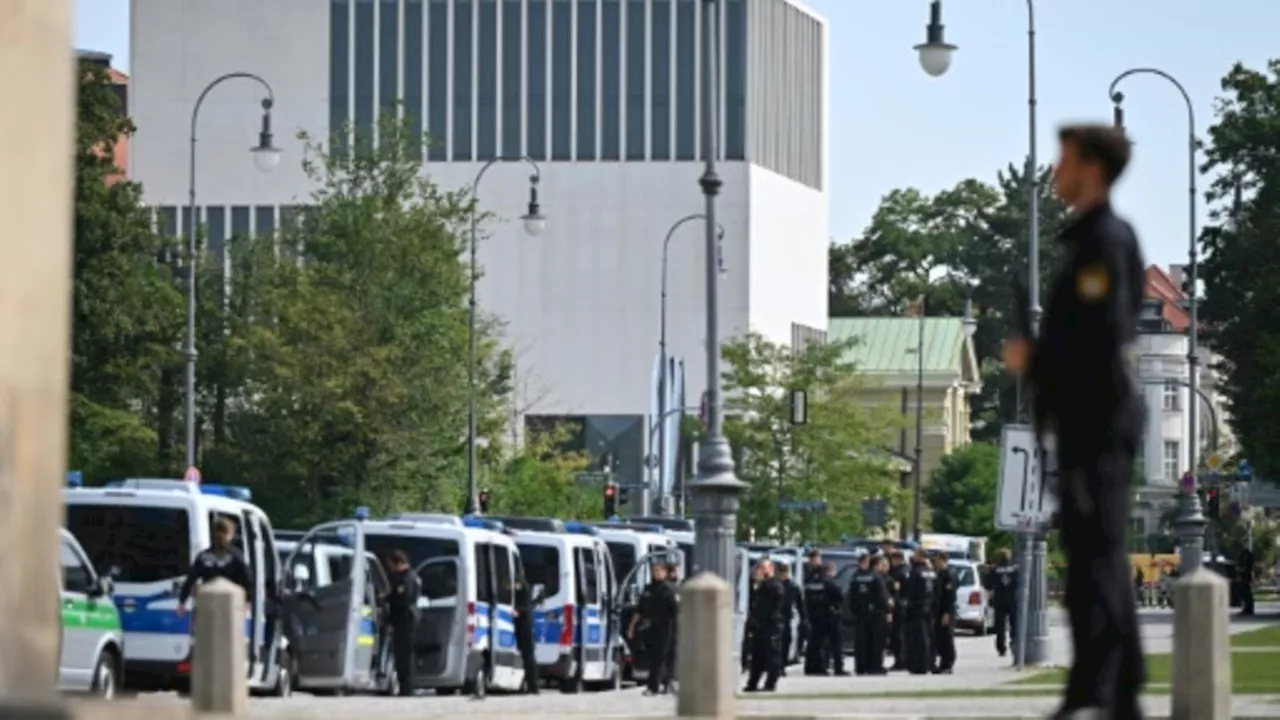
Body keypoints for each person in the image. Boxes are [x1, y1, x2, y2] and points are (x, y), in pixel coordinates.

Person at [1003, 123, 1146, 719]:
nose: (1055, 173)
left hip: (1101, 420)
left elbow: (1102, 335)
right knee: (1093, 559)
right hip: (1088, 419)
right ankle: (1107, 688)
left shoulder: (1104, 242)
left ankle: (1105, 689)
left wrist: (1034, 359)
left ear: (1090, 168)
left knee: (1098, 558)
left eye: (1064, 161)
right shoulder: (1090, 241)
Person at [176, 516, 252, 617]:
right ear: (230, 534)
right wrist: (248, 600)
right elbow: (248, 579)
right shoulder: (236, 556)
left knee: (206, 632)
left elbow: (190, 580)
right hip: (230, 604)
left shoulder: (203, 556)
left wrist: (182, 602)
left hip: (207, 604)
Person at [629, 562, 678, 695]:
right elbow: (640, 610)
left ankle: (654, 687)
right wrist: (632, 627)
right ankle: (665, 683)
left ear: (665, 573)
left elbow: (676, 611)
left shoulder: (669, 590)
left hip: (666, 627)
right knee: (654, 657)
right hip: (650, 627)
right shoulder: (648, 588)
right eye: (654, 571)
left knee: (661, 657)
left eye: (659, 571)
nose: (656, 573)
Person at [382, 550, 420, 696]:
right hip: (408, 620)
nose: (390, 569)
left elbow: (400, 600)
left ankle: (407, 688)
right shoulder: (412, 576)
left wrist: (387, 600)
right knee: (405, 656)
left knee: (404, 657)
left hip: (405, 621)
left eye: (390, 565)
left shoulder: (405, 579)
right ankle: (406, 687)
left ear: (397, 563)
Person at [743, 559, 784, 692]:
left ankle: (770, 683)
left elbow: (778, 596)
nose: (760, 570)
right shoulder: (757, 586)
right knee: (757, 656)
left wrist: (762, 583)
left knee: (772, 656)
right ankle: (752, 683)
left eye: (763, 568)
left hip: (772, 625)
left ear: (771, 569)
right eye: (759, 568)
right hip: (759, 625)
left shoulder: (774, 584)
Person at [902, 552, 936, 675]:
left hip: (916, 609)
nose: (913, 558)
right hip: (929, 608)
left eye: (916, 555)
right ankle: (930, 663)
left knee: (918, 639)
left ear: (920, 557)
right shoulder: (932, 572)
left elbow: (910, 591)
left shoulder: (915, 572)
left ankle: (919, 665)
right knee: (929, 637)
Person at [775, 563, 805, 676]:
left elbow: (800, 604)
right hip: (776, 618)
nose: (782, 575)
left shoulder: (793, 587)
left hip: (786, 617)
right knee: (778, 643)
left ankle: (781, 666)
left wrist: (803, 618)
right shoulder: (776, 585)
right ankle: (777, 666)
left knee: (785, 643)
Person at [513, 572, 541, 694]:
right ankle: (531, 685)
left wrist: (517, 611)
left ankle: (533, 686)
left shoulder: (520, 584)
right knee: (528, 656)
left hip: (524, 626)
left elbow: (522, 606)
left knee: (528, 656)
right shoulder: (525, 586)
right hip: (526, 624)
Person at [849, 554, 875, 675]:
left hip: (861, 613)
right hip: (867, 613)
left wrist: (853, 610)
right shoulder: (873, 576)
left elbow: (851, 596)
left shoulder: (855, 576)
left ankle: (861, 667)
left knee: (861, 642)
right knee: (866, 641)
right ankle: (866, 666)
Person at [990, 549, 1018, 658]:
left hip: (999, 601)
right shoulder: (1015, 569)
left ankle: (1001, 648)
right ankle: (1014, 643)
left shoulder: (995, 570)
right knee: (1014, 625)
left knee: (1000, 627)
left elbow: (988, 584)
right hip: (1012, 600)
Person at [931, 553, 957, 674]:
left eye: (936, 560)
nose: (935, 563)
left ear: (942, 560)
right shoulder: (940, 574)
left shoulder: (948, 574)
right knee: (940, 637)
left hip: (946, 610)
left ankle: (948, 664)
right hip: (939, 610)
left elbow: (950, 596)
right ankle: (942, 663)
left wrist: (947, 613)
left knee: (946, 638)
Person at [867, 555, 892, 674]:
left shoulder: (867, 576)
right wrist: (888, 609)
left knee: (870, 641)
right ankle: (877, 666)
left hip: (869, 613)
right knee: (879, 642)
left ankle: (869, 665)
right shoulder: (878, 578)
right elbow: (883, 598)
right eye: (882, 564)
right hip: (879, 613)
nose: (884, 567)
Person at [887, 550, 909, 671]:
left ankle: (900, 661)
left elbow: (896, 590)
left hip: (899, 606)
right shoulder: (908, 570)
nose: (892, 561)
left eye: (893, 559)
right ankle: (903, 659)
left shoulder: (898, 572)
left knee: (898, 635)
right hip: (906, 605)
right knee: (902, 634)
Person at [1239, 546, 1256, 616]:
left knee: (1246, 592)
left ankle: (1249, 609)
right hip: (1246, 576)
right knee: (1245, 592)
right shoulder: (1245, 557)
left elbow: (1247, 567)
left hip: (1247, 576)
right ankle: (1247, 608)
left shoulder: (1248, 558)